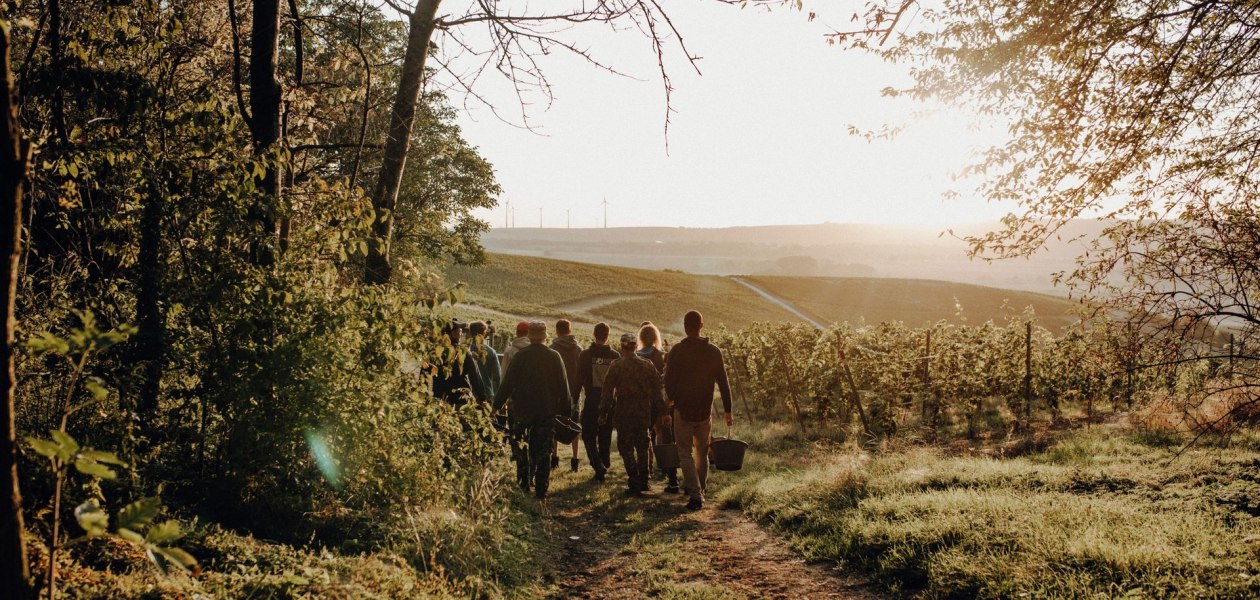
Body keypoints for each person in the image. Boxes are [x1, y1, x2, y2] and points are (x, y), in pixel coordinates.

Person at [663, 310, 733, 511]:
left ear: (685, 327)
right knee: (702, 452)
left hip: (683, 411)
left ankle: (695, 494)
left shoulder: (677, 351)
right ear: (701, 325)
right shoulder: (714, 352)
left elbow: (669, 381)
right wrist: (728, 410)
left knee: (684, 453)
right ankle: (700, 489)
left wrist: (672, 399)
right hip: (704, 412)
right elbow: (724, 383)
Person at [495, 321, 572, 499]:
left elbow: (507, 384)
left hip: (522, 410)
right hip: (546, 410)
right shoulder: (554, 356)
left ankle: (523, 482)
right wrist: (567, 411)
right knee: (544, 450)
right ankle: (541, 489)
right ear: (545, 337)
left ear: (529, 336)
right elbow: (563, 385)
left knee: (521, 446)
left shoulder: (520, 356)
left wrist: (496, 405)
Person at [600, 333, 668, 496]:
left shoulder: (616, 366)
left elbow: (608, 392)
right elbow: (657, 391)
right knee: (643, 447)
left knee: (626, 448)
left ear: (622, 347)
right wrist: (664, 412)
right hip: (643, 411)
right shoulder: (647, 365)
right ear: (636, 347)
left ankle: (634, 479)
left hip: (624, 411)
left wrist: (603, 413)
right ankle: (644, 480)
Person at [638, 322, 679, 494]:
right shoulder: (662, 356)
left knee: (645, 437)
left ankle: (646, 471)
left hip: (643, 403)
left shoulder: (636, 357)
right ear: (656, 338)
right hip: (661, 403)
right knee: (665, 438)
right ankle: (668, 472)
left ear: (640, 338)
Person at [576, 322, 620, 481]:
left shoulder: (585, 355)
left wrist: (573, 400)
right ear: (608, 336)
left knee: (588, 434)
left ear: (594, 334)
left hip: (592, 400)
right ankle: (605, 463)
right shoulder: (615, 356)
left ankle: (598, 465)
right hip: (609, 401)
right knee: (605, 434)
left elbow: (578, 380)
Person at [550, 319, 583, 472]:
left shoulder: (552, 349)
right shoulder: (578, 349)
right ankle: (575, 460)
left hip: (556, 393)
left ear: (557, 331)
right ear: (570, 331)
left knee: (555, 424)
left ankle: (554, 458)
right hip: (574, 392)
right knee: (574, 425)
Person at [432, 320, 486, 406]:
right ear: (453, 334)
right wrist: (482, 397)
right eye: (460, 332)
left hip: (439, 398)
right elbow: (474, 374)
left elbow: (426, 371)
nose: (461, 335)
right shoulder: (462, 351)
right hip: (459, 398)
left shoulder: (436, 350)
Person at [468, 321, 500, 401]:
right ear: (484, 334)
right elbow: (497, 376)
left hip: (468, 393)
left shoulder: (464, 350)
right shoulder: (491, 352)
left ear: (470, 333)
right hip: (487, 393)